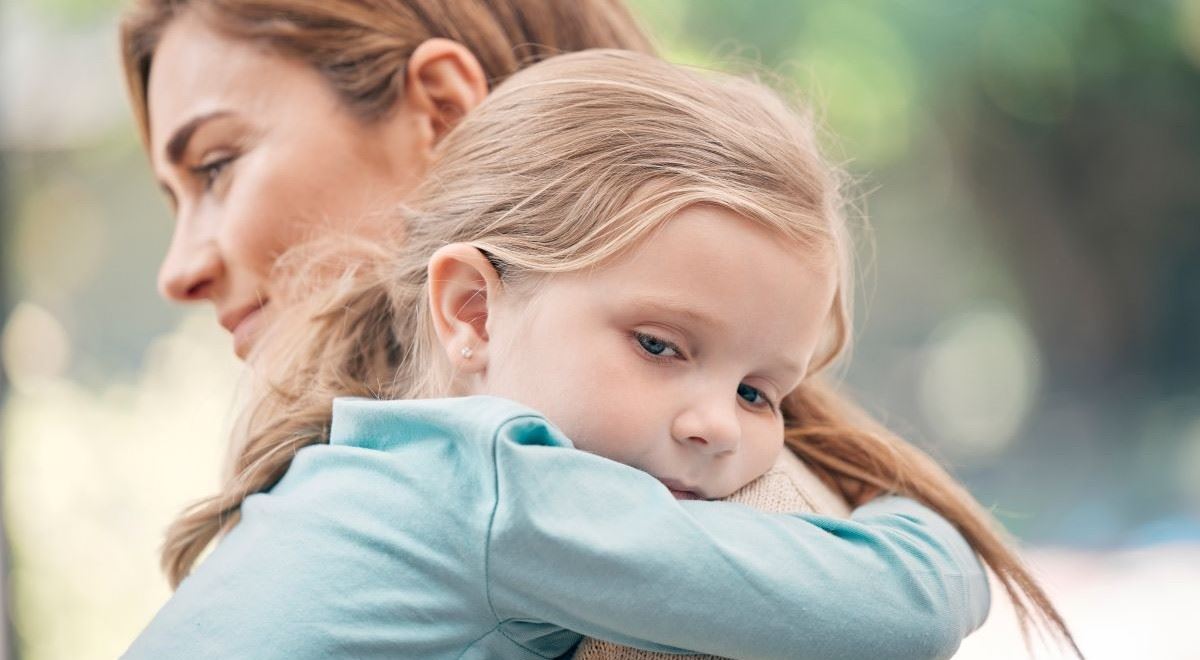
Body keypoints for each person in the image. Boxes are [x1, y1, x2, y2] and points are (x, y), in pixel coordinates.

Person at [125, 50, 1079, 659]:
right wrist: (930, 531)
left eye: (760, 392)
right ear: (472, 312)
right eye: (659, 345)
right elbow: (896, 610)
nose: (717, 425)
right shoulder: (510, 501)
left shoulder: (384, 474)